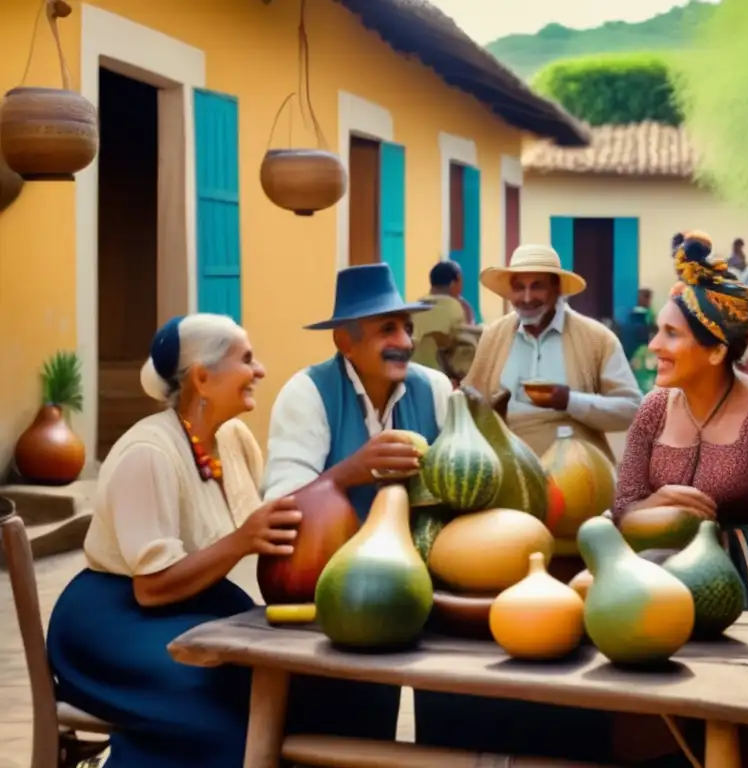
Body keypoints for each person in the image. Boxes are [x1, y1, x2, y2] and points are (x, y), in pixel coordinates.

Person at [45, 315, 376, 766]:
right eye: (246, 359)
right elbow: (152, 587)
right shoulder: (149, 453)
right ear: (202, 377)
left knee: (310, 683)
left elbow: (268, 524)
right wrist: (243, 541)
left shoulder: (233, 441)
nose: (259, 371)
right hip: (113, 622)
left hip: (191, 609)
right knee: (216, 712)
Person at [613, 232, 748, 612]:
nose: (656, 345)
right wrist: (655, 503)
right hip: (658, 572)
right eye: (658, 330)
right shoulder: (653, 408)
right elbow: (622, 509)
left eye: (672, 334)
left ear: (716, 352)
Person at [262, 263, 453, 513]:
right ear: (345, 342)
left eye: (408, 328)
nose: (405, 343)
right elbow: (281, 510)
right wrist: (351, 472)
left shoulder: (435, 388)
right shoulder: (307, 394)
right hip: (334, 550)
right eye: (387, 329)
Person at [460, 243, 642, 460]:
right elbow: (471, 403)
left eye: (537, 286)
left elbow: (631, 409)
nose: (527, 298)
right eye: (519, 287)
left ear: (557, 289)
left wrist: (569, 401)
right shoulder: (493, 336)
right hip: (508, 469)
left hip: (580, 470)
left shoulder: (596, 338)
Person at [410, 260, 478, 381]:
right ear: (456, 281)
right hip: (441, 380)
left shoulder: (416, 306)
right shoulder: (456, 307)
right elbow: (463, 352)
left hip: (412, 374)